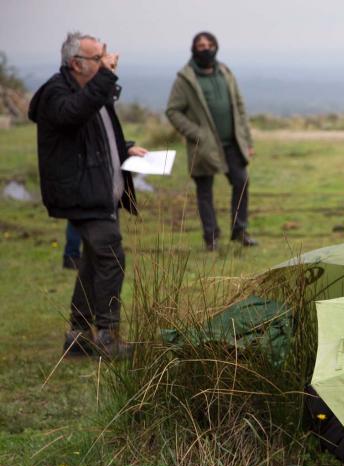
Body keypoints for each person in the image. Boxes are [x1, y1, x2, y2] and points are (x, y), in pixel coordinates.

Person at [28, 32, 147, 357]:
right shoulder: (56, 93)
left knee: (94, 260)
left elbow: (97, 135)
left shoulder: (90, 91)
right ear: (76, 63)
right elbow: (72, 115)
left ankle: (79, 335)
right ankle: (107, 337)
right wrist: (106, 76)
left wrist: (124, 148)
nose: (106, 62)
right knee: (111, 257)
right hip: (82, 193)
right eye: (97, 58)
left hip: (98, 191)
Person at [166, 32, 257, 250]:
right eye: (201, 45)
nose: (206, 48)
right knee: (205, 191)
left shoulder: (225, 72)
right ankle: (211, 237)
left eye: (210, 44)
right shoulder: (185, 79)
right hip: (204, 146)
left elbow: (240, 107)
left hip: (232, 143)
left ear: (216, 47)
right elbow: (173, 111)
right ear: (193, 49)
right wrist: (196, 133)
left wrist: (247, 140)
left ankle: (240, 231)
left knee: (241, 182)